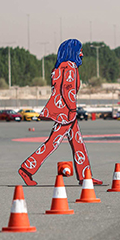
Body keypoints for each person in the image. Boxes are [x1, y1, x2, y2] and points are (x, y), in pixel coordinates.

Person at [18, 39, 100, 186]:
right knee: (52, 143)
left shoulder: (59, 67)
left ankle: (85, 176)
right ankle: (27, 169)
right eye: (79, 50)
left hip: (64, 111)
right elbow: (68, 90)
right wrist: (72, 109)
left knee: (77, 143)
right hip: (67, 113)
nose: (81, 54)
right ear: (72, 52)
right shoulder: (70, 67)